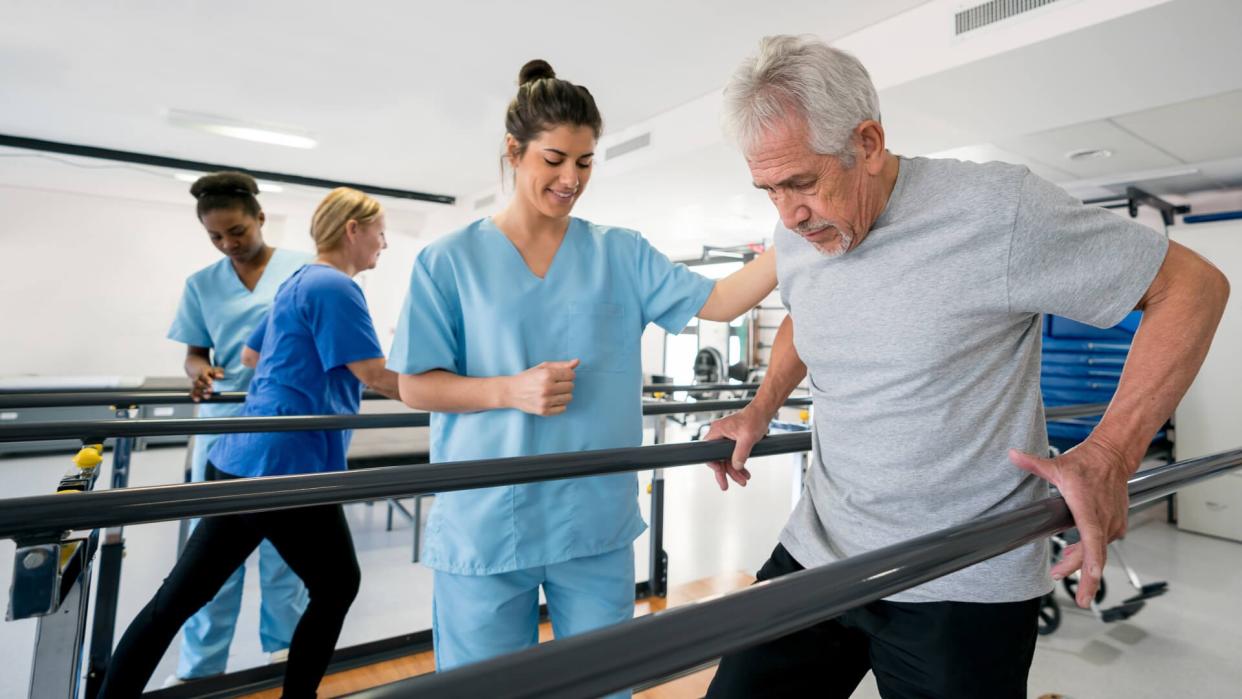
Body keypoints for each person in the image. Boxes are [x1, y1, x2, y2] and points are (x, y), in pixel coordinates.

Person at [700, 35, 1229, 699]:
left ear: (867, 143)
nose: (789, 213)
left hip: (961, 578)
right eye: (769, 190)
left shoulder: (995, 210)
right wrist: (760, 404)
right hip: (821, 548)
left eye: (803, 183)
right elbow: (808, 315)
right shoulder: (797, 230)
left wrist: (1112, 454)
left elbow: (1193, 288)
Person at [388, 60, 777, 695]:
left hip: (591, 521)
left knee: (604, 685)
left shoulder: (619, 252)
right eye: (555, 159)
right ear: (514, 153)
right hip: (486, 519)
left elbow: (723, 301)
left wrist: (797, 232)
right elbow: (415, 385)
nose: (571, 179)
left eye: (586, 162)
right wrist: (507, 390)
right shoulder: (448, 260)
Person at [101, 187, 400, 698]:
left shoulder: (298, 281)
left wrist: (307, 375)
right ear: (354, 229)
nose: (385, 243)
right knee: (337, 586)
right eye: (379, 232)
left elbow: (249, 356)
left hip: (242, 456)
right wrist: (467, 391)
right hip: (287, 464)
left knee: (177, 599)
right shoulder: (335, 287)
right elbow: (375, 375)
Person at [166, 171, 310, 682]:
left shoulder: (304, 270)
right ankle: (200, 671)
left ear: (261, 219)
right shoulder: (201, 285)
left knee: (284, 556)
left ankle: (286, 657)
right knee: (212, 562)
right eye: (216, 237)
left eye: (237, 232)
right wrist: (198, 372)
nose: (228, 244)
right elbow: (193, 353)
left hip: (284, 426)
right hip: (224, 427)